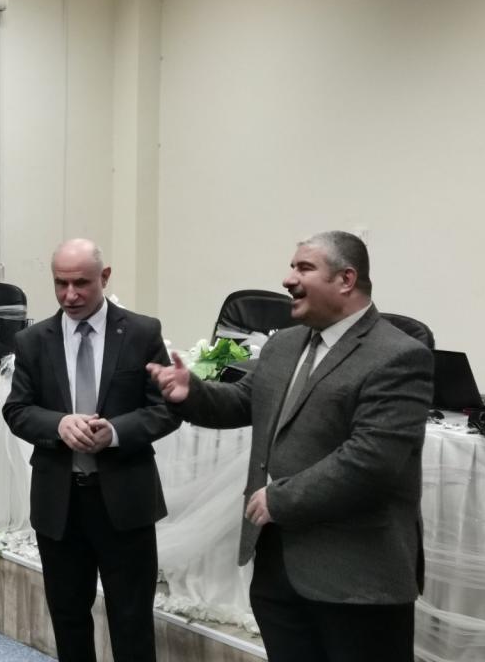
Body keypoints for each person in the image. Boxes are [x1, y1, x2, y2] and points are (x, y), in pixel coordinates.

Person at [147, 231, 432, 662]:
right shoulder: (284, 344)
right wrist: (191, 393)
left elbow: (371, 461)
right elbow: (244, 402)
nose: (287, 279)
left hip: (357, 579)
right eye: (291, 267)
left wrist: (279, 499)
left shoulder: (398, 355)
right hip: (279, 571)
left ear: (346, 280)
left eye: (304, 268)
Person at [3, 238, 181, 662]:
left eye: (81, 283)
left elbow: (166, 410)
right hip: (59, 503)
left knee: (132, 620)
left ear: (105, 277)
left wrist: (115, 432)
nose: (70, 295)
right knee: (68, 618)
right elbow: (17, 410)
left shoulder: (141, 332)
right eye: (60, 283)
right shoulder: (33, 340)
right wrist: (59, 424)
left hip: (125, 500)